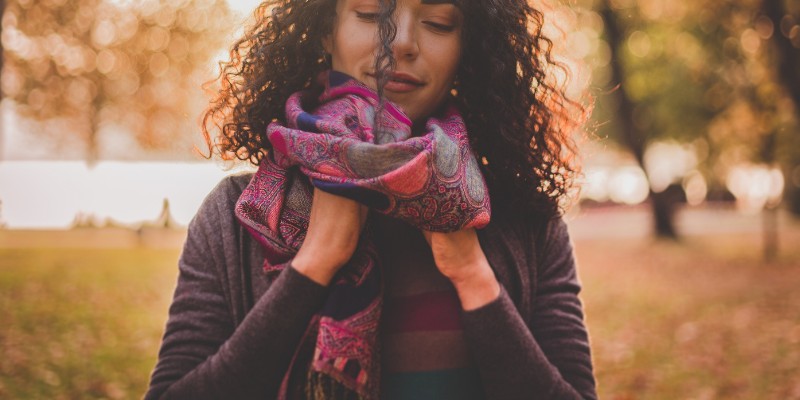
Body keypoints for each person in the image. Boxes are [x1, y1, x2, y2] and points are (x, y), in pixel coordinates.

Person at [146, 0, 596, 397]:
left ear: (469, 48)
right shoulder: (236, 213)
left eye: (438, 22)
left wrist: (473, 275)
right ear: (326, 27)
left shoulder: (527, 219)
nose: (400, 42)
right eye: (371, 13)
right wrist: (314, 263)